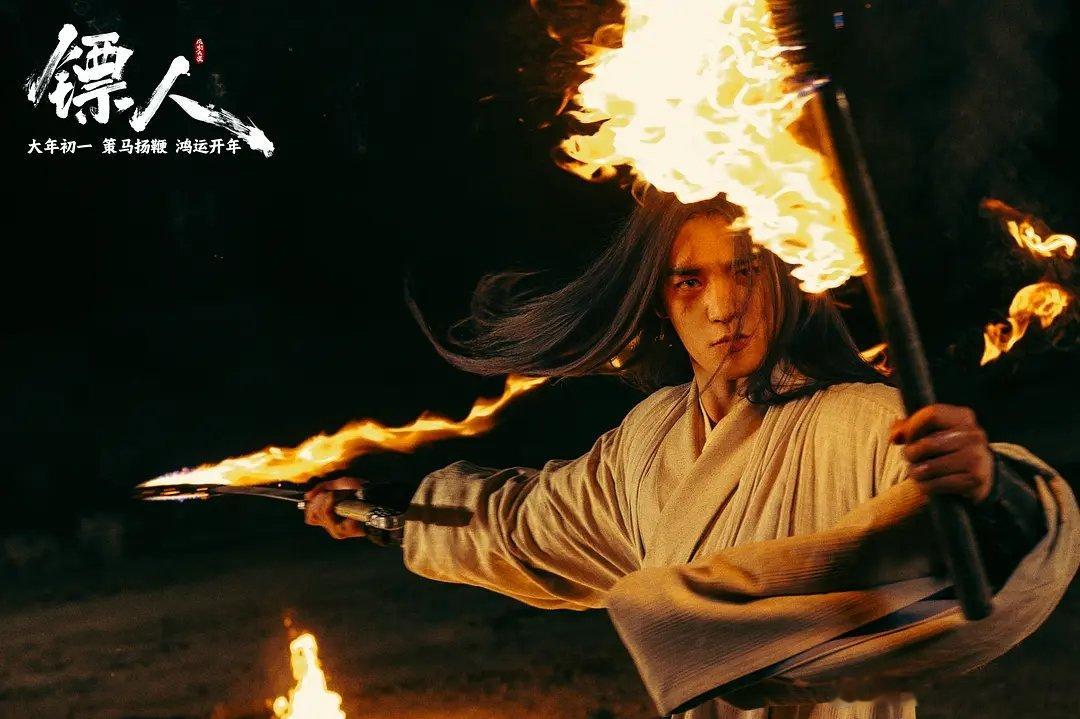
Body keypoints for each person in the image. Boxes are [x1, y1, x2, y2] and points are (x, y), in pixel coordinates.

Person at [304, 190, 1078, 718]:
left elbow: (997, 548)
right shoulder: (648, 441)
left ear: (784, 278)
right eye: (689, 280)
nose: (723, 306)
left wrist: (989, 488)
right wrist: (382, 512)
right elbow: (519, 528)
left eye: (745, 270)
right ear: (661, 300)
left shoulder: (864, 420)